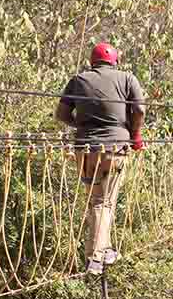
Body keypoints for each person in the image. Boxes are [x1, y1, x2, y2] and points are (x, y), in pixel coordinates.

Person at [56, 43, 146, 275]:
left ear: (92, 62)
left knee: (97, 201)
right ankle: (95, 257)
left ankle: (103, 249)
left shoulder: (78, 80)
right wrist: (135, 135)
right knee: (102, 202)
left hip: (85, 150)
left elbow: (62, 114)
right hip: (115, 149)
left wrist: (84, 126)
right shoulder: (127, 78)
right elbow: (139, 110)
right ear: (115, 61)